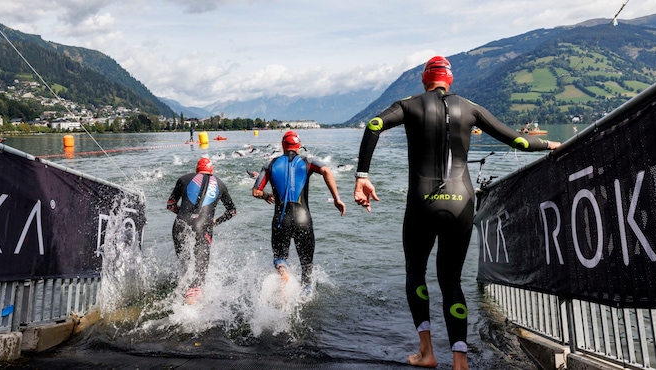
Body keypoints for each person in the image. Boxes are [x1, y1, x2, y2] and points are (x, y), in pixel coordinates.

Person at [353, 56, 560, 370]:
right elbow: (516, 139)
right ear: (449, 81)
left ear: (425, 80)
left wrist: (362, 178)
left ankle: (427, 352)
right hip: (462, 202)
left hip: (422, 201)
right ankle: (460, 362)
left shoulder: (410, 104)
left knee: (416, 272)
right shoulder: (470, 107)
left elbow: (374, 125)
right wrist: (549, 145)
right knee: (451, 281)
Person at [252, 130, 346, 297]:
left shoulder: (270, 164)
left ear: (283, 146)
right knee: (307, 265)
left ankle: (284, 275)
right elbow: (326, 171)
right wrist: (336, 198)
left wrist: (267, 196)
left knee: (280, 258)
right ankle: (305, 297)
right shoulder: (307, 161)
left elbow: (255, 191)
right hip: (304, 219)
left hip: (281, 220)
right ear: (298, 147)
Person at [167, 157, 237, 304]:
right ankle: (194, 309)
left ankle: (183, 295)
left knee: (184, 262)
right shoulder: (220, 184)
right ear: (212, 171)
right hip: (203, 225)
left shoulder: (183, 179)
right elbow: (232, 211)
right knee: (199, 272)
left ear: (196, 169)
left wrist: (184, 215)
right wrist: (216, 222)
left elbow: (171, 205)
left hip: (180, 223)